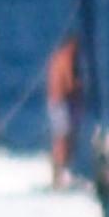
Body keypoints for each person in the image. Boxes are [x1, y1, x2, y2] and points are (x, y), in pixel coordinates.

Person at [43, 29, 84, 186]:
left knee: (59, 138)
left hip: (53, 102)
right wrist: (78, 86)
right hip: (60, 103)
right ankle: (59, 175)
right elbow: (68, 83)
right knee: (63, 138)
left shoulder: (56, 58)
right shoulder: (65, 59)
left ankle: (58, 174)